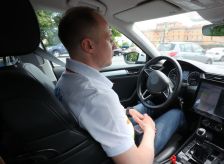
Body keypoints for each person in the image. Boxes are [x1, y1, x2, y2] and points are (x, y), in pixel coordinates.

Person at [55, 6, 185, 163]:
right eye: (109, 39)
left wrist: (127, 111)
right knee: (176, 113)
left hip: (107, 130)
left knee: (149, 103)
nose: (115, 45)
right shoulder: (97, 97)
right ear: (89, 45)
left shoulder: (66, 80)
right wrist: (150, 130)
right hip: (132, 149)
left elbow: (95, 114)